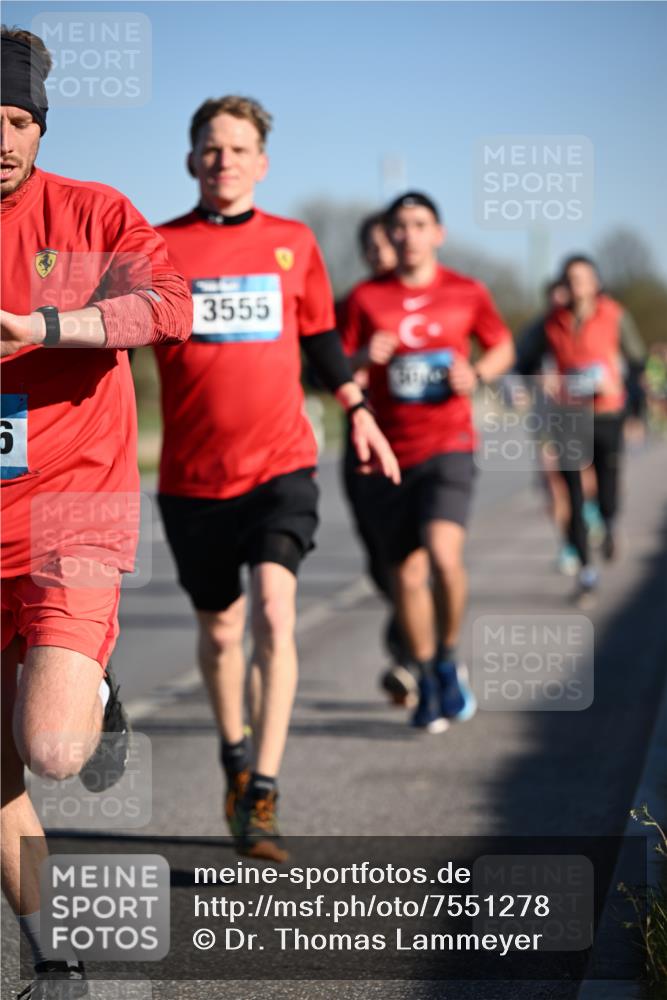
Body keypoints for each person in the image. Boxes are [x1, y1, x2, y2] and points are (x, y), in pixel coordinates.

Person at [153, 96, 399, 862]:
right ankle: (233, 758)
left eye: (238, 147)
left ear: (262, 162)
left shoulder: (293, 244)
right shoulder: (155, 248)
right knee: (221, 630)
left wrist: (356, 408)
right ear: (191, 159)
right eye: (210, 147)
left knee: (273, 614)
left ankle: (263, 788)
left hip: (280, 466)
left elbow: (321, 337)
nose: (223, 160)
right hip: (192, 478)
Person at [0, 26, 193, 999]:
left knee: (54, 751)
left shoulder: (89, 212)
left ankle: (94, 691)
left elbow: (168, 304)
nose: (1, 138)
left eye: (18, 120)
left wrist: (46, 326)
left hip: (72, 515)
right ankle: (56, 961)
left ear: (40, 127)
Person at [341, 191, 515, 732]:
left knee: (442, 554)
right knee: (407, 575)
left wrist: (479, 373)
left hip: (450, 445)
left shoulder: (467, 290)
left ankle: (446, 655)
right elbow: (335, 371)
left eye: (420, 224)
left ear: (438, 233)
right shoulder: (364, 298)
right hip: (391, 455)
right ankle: (427, 673)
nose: (409, 235)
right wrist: (362, 360)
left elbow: (502, 343)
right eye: (400, 226)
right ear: (389, 237)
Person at [516, 254, 646, 604]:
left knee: (606, 489)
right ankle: (587, 573)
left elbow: (636, 364)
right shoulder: (550, 322)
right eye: (569, 279)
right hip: (568, 416)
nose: (575, 285)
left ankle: (610, 525)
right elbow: (522, 359)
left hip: (607, 413)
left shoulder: (615, 315)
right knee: (570, 494)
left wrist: (635, 411)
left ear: (595, 283)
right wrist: (534, 382)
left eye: (582, 278)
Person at [338, 213, 415, 706]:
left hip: (418, 446)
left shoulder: (429, 299)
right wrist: (362, 355)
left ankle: (410, 654)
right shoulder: (354, 303)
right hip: (365, 444)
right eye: (369, 244)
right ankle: (416, 631)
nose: (378, 252)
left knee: (414, 557)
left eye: (385, 242)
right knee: (379, 560)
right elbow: (322, 368)